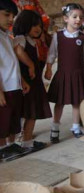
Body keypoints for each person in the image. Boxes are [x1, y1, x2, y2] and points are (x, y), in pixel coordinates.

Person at [45, 3, 84, 143]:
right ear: (66, 19)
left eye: (80, 17)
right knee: (59, 102)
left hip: (78, 74)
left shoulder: (83, 38)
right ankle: (55, 128)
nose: (78, 19)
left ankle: (76, 127)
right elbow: (52, 54)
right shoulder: (58, 36)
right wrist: (48, 68)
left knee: (76, 102)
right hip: (63, 74)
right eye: (74, 16)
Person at [13, 10, 52, 151]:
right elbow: (18, 52)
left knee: (32, 114)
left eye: (40, 26)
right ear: (24, 24)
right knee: (27, 113)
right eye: (34, 25)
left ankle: (27, 142)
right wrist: (30, 65)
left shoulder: (32, 41)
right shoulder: (20, 38)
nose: (38, 29)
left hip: (34, 82)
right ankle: (20, 142)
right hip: (26, 83)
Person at [0, 0, 33, 160]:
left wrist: (22, 81)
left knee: (13, 120)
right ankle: (3, 148)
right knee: (3, 121)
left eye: (13, 16)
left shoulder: (6, 36)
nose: (11, 19)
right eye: (6, 15)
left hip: (14, 85)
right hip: (3, 88)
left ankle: (11, 145)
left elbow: (12, 63)